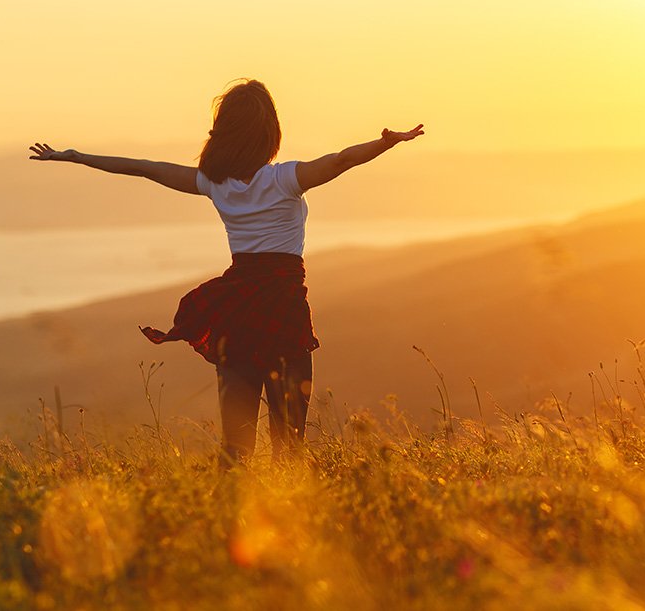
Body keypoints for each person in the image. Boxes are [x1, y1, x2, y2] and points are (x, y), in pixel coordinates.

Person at [29, 79, 424, 466]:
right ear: (269, 133)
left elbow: (143, 168)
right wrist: (386, 144)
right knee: (290, 445)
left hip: (235, 311)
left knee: (236, 448)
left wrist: (76, 156)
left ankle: (226, 516)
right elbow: (340, 160)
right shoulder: (284, 179)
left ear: (224, 133)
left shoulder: (213, 183)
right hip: (283, 310)